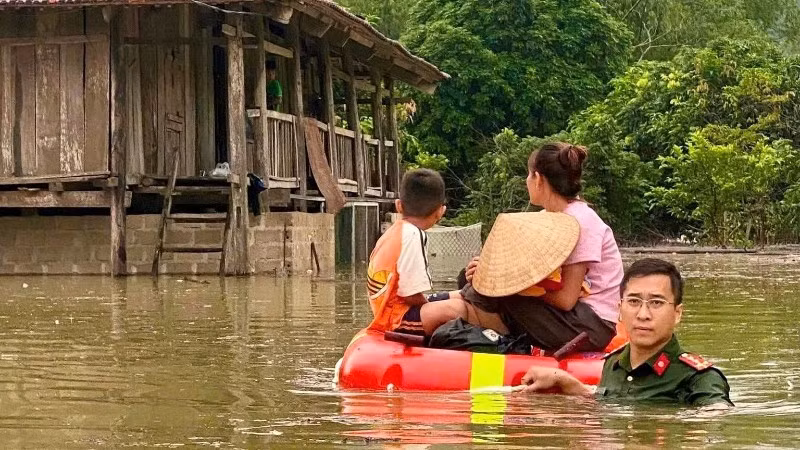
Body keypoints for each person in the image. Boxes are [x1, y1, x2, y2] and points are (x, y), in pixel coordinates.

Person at [429, 142, 624, 351]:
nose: (526, 181)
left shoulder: (581, 221)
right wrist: (485, 271)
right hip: (569, 315)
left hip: (590, 324)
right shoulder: (545, 218)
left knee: (496, 290)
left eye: (528, 175)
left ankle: (438, 304)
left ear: (538, 179)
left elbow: (566, 299)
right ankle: (448, 304)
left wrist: (515, 285)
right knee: (474, 278)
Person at [520, 258, 733, 407]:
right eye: (633, 301)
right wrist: (564, 381)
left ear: (677, 313)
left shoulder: (699, 378)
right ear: (619, 310)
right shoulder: (612, 365)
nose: (643, 314)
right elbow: (608, 402)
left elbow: (716, 417)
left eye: (656, 303)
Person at [366, 169, 446, 335]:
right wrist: (432, 308)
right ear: (440, 211)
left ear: (399, 205)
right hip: (396, 318)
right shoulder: (413, 235)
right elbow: (411, 295)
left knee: (458, 296)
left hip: (388, 310)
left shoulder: (394, 232)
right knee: (458, 308)